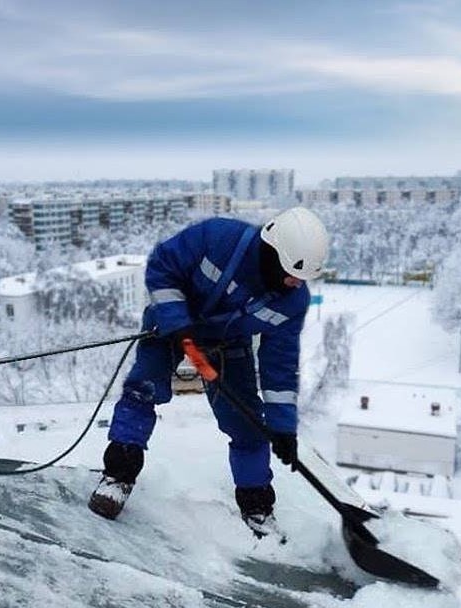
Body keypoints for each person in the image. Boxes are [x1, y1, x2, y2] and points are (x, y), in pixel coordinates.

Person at [88, 207, 329, 538]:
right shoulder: (218, 238)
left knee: (248, 424)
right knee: (143, 387)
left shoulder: (292, 301)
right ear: (273, 253)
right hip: (173, 325)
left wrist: (283, 426)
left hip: (227, 343)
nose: (296, 283)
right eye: (291, 273)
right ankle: (118, 475)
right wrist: (175, 320)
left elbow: (280, 364)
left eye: (302, 278)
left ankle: (257, 506)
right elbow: (162, 265)